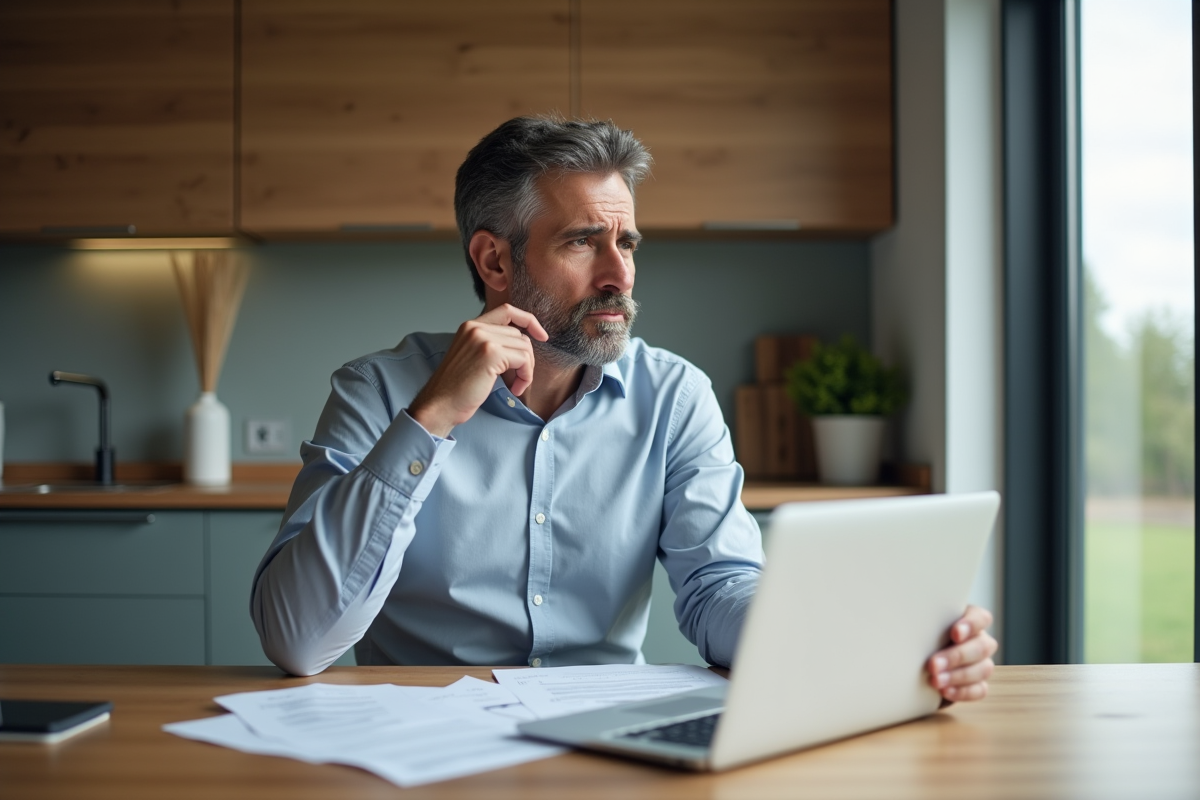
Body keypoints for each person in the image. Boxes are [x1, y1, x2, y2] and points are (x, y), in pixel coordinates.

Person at [250, 116, 998, 704]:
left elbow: (719, 589)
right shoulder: (376, 393)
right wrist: (431, 420)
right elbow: (298, 641)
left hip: (603, 741)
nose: (619, 275)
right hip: (418, 747)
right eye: (584, 242)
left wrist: (861, 637)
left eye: (627, 242)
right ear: (494, 261)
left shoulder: (674, 397)